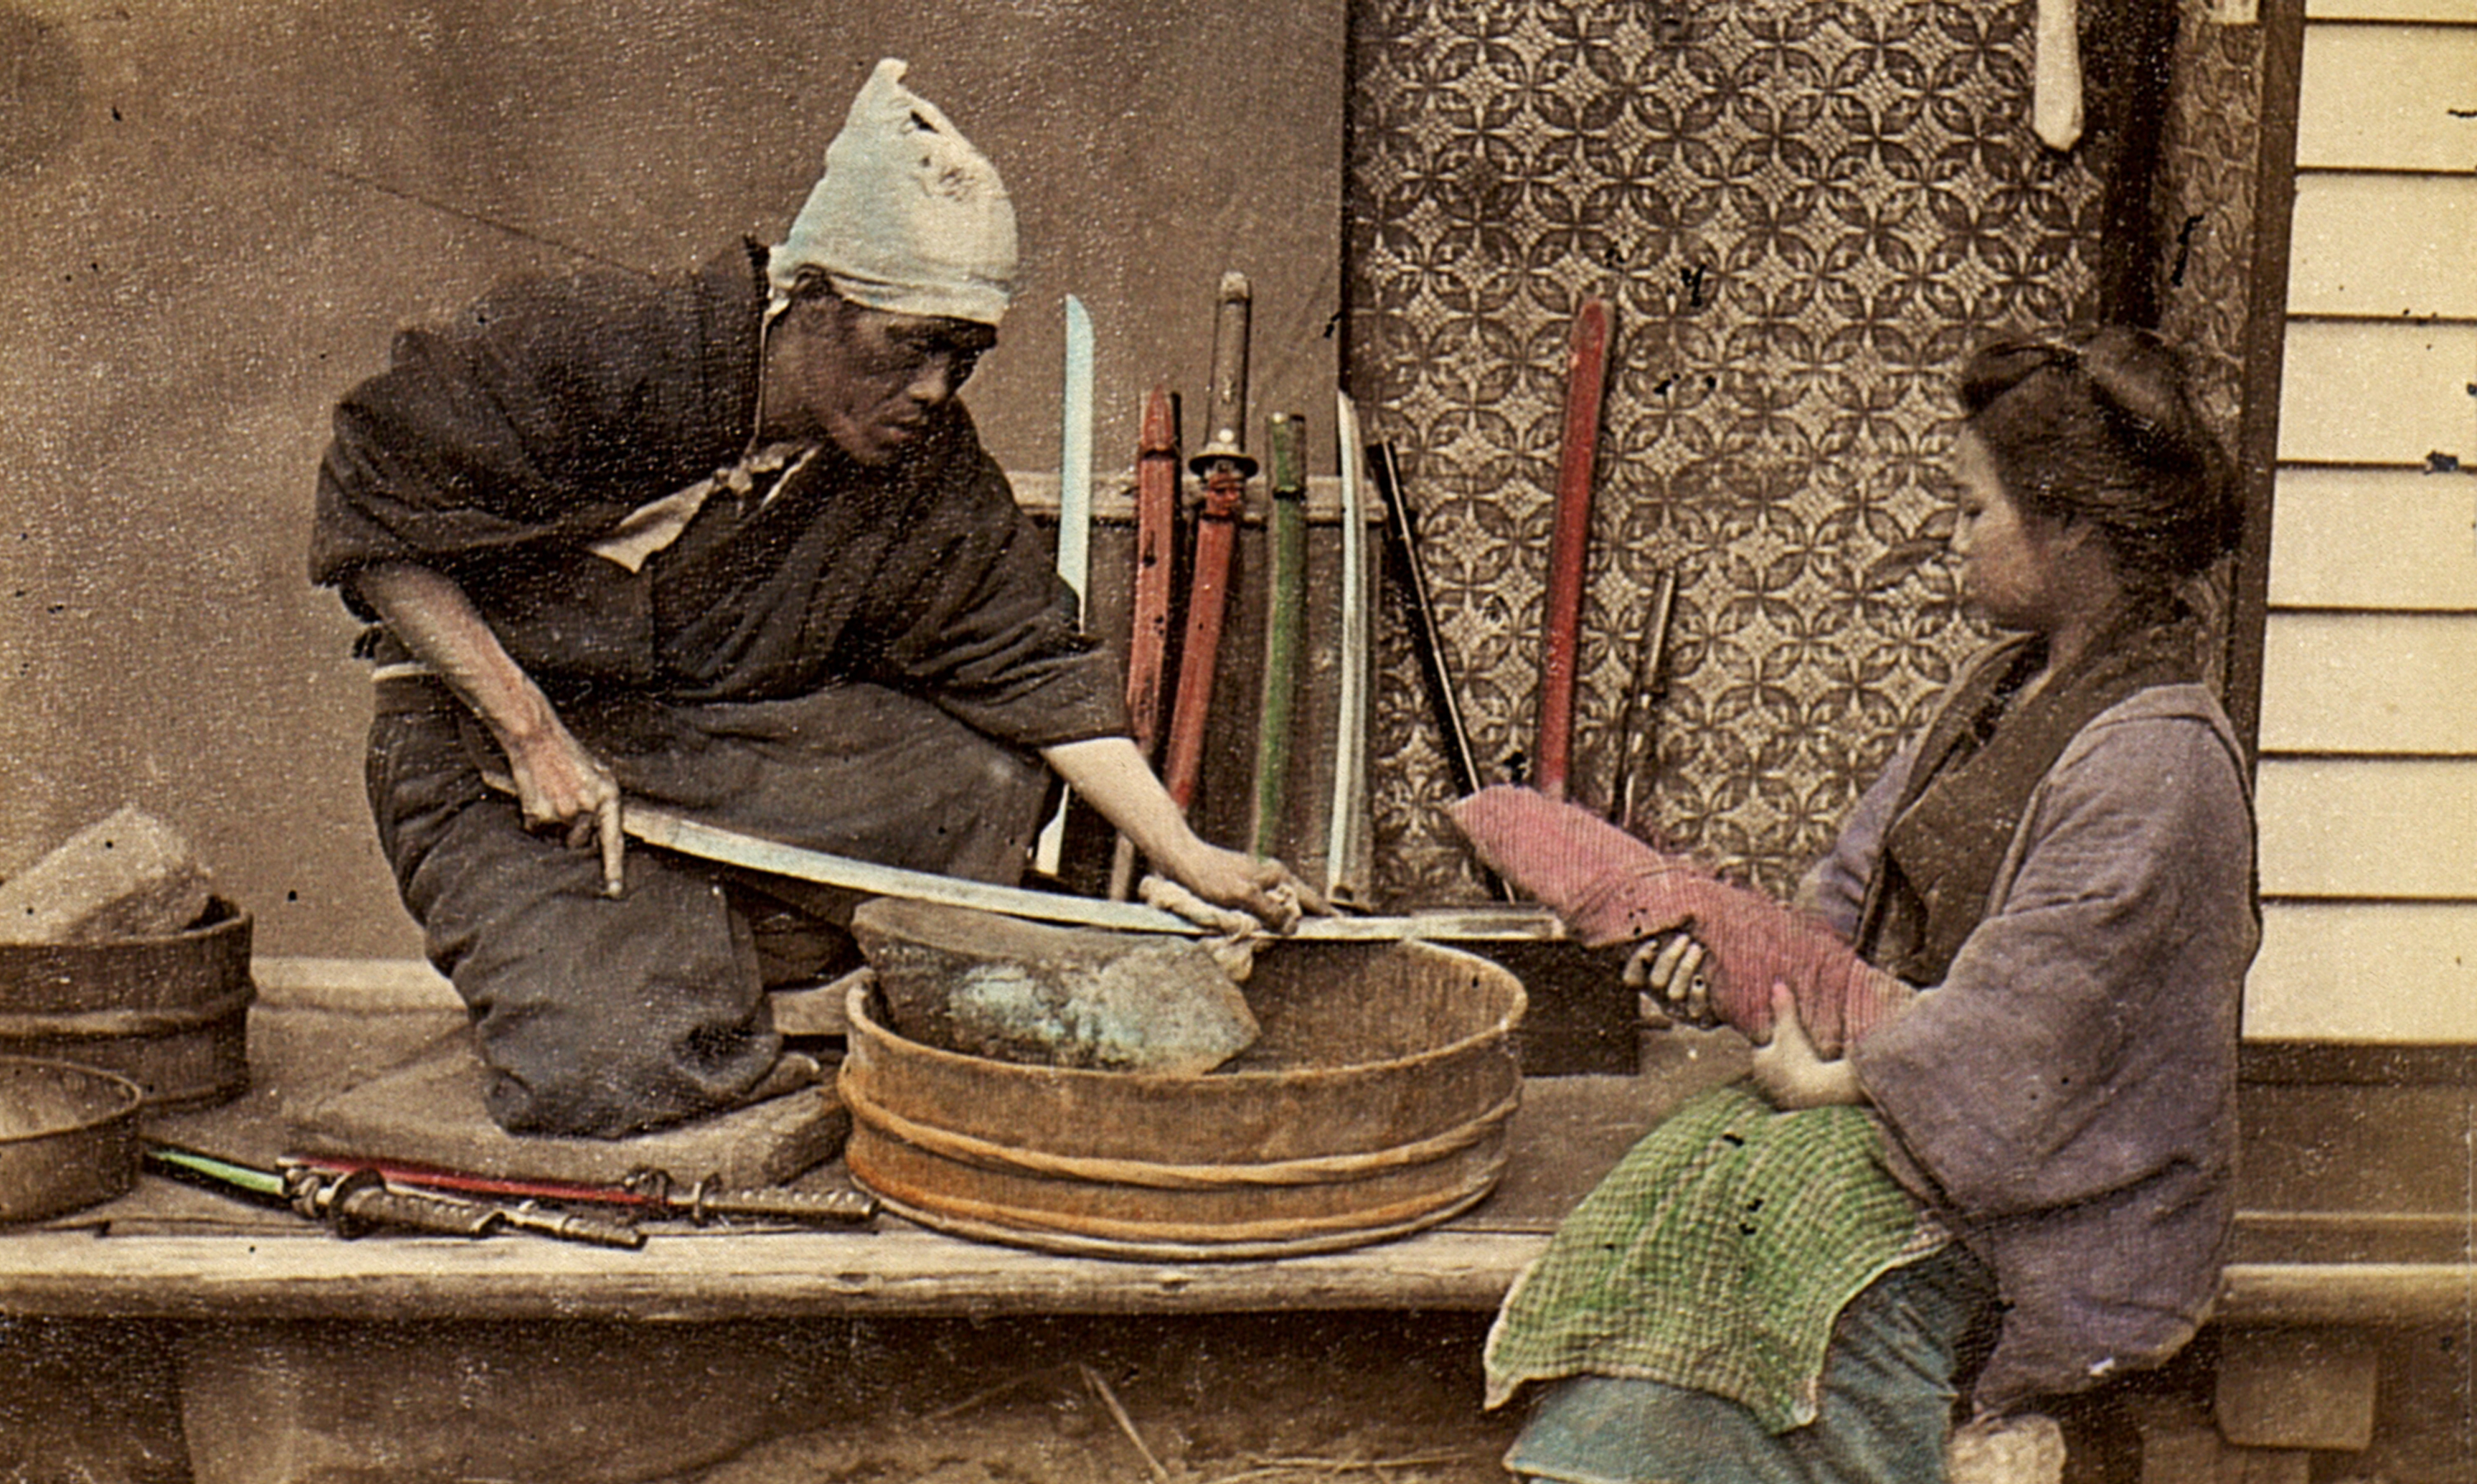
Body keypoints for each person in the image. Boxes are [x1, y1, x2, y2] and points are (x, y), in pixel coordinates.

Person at [311, 59, 1308, 1139]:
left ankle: (684, 940)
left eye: (964, 355)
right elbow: (375, 514)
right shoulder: (601, 345)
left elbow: (1028, 663)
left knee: (978, 776)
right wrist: (531, 732)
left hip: (706, 753)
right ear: (812, 298)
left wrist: (1188, 854)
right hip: (489, 754)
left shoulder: (921, 461)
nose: (936, 388)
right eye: (910, 344)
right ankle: (650, 960)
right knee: (608, 1071)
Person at [1475, 326, 2258, 1482]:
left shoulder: (2160, 762)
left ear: (2073, 527)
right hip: (1937, 1113)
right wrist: (1739, 968)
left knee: (1807, 1250)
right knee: (1697, 1182)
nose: (1951, 539)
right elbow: (1852, 885)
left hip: (2063, 1199)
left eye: (1972, 510)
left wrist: (1836, 1079)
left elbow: (2030, 1037)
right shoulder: (2002, 687)